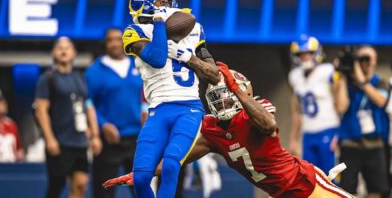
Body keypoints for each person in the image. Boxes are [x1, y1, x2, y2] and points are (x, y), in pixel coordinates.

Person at [103, 62, 354, 197]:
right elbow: (179, 159)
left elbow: (270, 125)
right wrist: (143, 173)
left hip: (306, 185)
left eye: (227, 94)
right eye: (218, 96)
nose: (221, 101)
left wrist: (236, 90)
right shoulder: (212, 131)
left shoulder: (256, 113)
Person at [122, 0, 219, 198]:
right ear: (142, 5)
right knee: (140, 178)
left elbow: (213, 75)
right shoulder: (134, 31)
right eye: (158, 1)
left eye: (166, 1)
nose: (164, 5)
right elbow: (156, 59)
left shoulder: (195, 29)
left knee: (171, 166)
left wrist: (186, 56)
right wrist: (158, 21)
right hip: (157, 109)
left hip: (189, 108)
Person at [34, 36, 102, 198]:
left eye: (67, 47)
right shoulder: (47, 78)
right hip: (60, 142)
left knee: (81, 185)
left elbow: (88, 106)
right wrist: (49, 139)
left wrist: (95, 135)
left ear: (74, 53)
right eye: (59, 47)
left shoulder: (80, 77)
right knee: (56, 188)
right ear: (53, 53)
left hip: (79, 142)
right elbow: (41, 110)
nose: (63, 50)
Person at [86, 28, 148, 198]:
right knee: (103, 191)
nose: (115, 43)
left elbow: (146, 96)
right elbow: (87, 102)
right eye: (110, 40)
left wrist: (145, 111)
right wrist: (102, 124)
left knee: (141, 190)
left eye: (118, 39)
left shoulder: (138, 65)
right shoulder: (94, 71)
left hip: (137, 139)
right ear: (105, 44)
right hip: (109, 141)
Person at [335, 46, 389, 198]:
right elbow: (340, 107)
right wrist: (343, 76)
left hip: (375, 144)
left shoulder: (380, 82)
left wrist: (363, 82)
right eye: (360, 58)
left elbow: (382, 101)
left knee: (375, 188)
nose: (364, 62)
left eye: (367, 58)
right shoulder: (347, 83)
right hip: (350, 144)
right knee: (346, 190)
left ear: (374, 61)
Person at [288, 35, 345, 173]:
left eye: (308, 53)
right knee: (312, 177)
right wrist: (293, 139)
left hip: (328, 128)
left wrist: (339, 134)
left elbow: (341, 104)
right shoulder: (295, 76)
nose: (305, 57)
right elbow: (297, 110)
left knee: (331, 176)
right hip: (308, 133)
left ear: (316, 53)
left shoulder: (328, 71)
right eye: (301, 54)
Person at [0, 88, 24, 162]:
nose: (3, 104)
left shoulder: (11, 124)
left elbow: (19, 150)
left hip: (11, 169)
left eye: (3, 101)